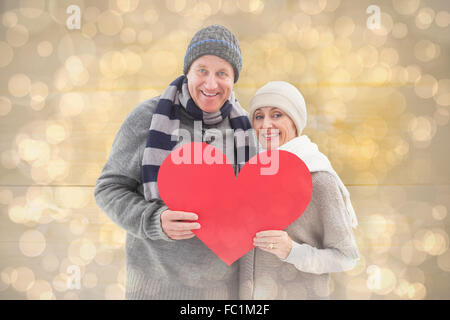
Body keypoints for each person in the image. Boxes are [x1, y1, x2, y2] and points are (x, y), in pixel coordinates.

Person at [94, 25, 256, 299]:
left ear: (233, 79)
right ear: (188, 72)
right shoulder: (147, 117)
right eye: (202, 70)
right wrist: (154, 220)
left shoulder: (246, 131)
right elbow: (108, 189)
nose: (211, 84)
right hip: (155, 288)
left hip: (223, 293)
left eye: (222, 73)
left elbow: (258, 204)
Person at [239, 81, 360, 300]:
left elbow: (346, 257)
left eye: (277, 115)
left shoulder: (319, 178)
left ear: (294, 121)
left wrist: (292, 251)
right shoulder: (249, 174)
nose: (266, 124)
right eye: (258, 116)